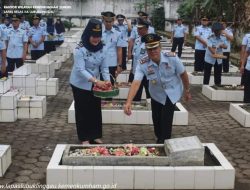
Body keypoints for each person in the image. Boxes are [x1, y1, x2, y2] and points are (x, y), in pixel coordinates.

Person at [124, 33, 191, 143]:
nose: (153, 51)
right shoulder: (143, 63)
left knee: (166, 119)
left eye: (155, 48)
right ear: (146, 50)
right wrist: (128, 102)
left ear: (160, 47)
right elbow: (136, 83)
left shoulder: (172, 58)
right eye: (150, 49)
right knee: (156, 120)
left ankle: (164, 142)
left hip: (172, 92)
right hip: (156, 94)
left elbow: (183, 74)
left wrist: (187, 90)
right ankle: (160, 137)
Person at [70, 19, 111, 144]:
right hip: (80, 83)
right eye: (93, 36)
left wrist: (108, 81)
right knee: (82, 110)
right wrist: (96, 82)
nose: (96, 40)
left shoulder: (102, 48)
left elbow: (104, 67)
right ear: (88, 35)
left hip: (95, 83)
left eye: (98, 36)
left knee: (95, 109)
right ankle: (84, 138)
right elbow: (80, 69)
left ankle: (95, 135)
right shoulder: (79, 49)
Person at [130, 18, 151, 101]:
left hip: (147, 72)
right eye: (137, 28)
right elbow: (135, 56)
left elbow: (151, 56)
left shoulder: (150, 41)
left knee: (150, 94)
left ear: (146, 29)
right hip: (137, 72)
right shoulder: (138, 40)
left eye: (140, 28)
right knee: (136, 95)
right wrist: (133, 68)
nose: (137, 30)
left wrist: (140, 63)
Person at [101, 11, 123, 84]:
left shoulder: (118, 33)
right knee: (99, 85)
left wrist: (119, 65)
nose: (108, 23)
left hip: (111, 64)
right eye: (106, 21)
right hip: (99, 63)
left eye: (110, 21)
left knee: (110, 85)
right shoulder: (99, 32)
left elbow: (119, 50)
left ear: (113, 21)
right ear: (103, 21)